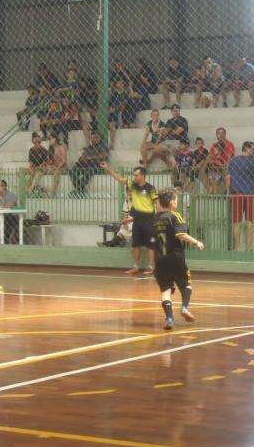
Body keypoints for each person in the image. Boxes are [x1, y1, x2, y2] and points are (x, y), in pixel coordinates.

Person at [153, 188, 205, 330]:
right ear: (171, 202)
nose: (176, 202)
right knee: (186, 284)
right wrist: (196, 242)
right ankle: (184, 308)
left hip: (160, 260)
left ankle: (169, 318)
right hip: (175, 258)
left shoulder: (155, 218)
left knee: (165, 290)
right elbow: (181, 234)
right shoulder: (175, 216)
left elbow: (153, 242)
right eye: (175, 200)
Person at [100, 163, 159, 276]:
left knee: (151, 245)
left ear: (142, 176)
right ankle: (136, 266)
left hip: (149, 221)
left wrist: (159, 217)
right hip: (136, 221)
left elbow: (157, 203)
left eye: (136, 175)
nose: (134, 177)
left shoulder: (150, 188)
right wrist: (108, 168)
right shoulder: (132, 185)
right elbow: (119, 178)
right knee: (135, 245)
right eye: (134, 175)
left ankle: (151, 267)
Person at [226, 141, 254, 251]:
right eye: (252, 149)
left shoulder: (233, 161)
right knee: (250, 222)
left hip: (237, 194)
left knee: (236, 222)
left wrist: (229, 192)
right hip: (250, 194)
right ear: (246, 148)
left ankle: (237, 247)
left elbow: (228, 178)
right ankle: (249, 248)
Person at [68, 132, 110, 198]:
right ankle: (80, 189)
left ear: (100, 138)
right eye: (92, 138)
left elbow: (104, 156)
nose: (93, 139)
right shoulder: (89, 148)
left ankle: (78, 190)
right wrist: (83, 158)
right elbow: (82, 157)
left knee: (89, 172)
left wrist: (90, 157)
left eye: (96, 137)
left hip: (96, 165)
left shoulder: (103, 146)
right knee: (71, 171)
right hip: (85, 165)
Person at [207, 127, 235, 194]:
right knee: (211, 172)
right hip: (216, 166)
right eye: (219, 133)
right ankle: (212, 193)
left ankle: (227, 192)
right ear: (216, 135)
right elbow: (210, 158)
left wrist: (224, 165)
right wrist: (216, 154)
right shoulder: (214, 145)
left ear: (225, 134)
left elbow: (231, 158)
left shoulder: (230, 144)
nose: (221, 135)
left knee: (227, 171)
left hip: (226, 166)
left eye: (223, 133)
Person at [45, 132, 68, 197]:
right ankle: (33, 188)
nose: (49, 140)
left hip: (62, 168)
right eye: (49, 139)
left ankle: (53, 192)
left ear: (55, 139)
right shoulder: (50, 149)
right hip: (54, 167)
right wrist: (49, 165)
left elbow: (64, 161)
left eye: (50, 139)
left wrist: (57, 168)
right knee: (39, 169)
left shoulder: (61, 147)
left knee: (56, 172)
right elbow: (49, 161)